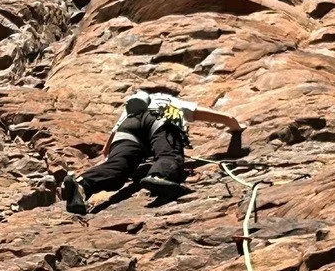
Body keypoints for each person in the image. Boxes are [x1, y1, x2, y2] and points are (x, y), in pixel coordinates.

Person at [61, 88, 242, 215]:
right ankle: (161, 176)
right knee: (168, 154)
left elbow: (109, 144)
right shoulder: (169, 101)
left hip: (128, 128)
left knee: (118, 168)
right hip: (160, 118)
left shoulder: (130, 111)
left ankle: (83, 184)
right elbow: (207, 114)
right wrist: (234, 125)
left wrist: (108, 158)